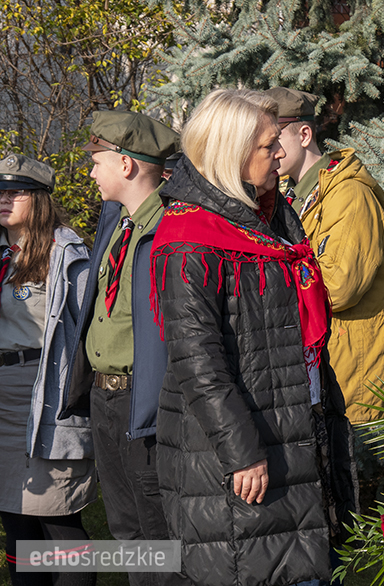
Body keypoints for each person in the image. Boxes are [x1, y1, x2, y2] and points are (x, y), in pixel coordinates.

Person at [148, 88, 353, 585]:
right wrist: (241, 451)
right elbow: (198, 361)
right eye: (268, 146)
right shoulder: (190, 238)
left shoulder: (269, 215)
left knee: (307, 562)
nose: (280, 154)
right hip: (241, 451)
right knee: (258, 568)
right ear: (232, 152)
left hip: (292, 424)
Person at [62, 111, 180, 586]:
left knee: (159, 533)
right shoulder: (119, 224)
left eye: (97, 160)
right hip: (106, 399)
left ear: (127, 166)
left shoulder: (167, 230)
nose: (90, 172)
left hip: (144, 401)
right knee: (126, 530)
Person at [263, 87, 384, 426]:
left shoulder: (349, 194)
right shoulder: (294, 196)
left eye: (275, 140)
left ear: (305, 134)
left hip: (351, 386)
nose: (268, 151)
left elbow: (339, 288)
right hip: (320, 374)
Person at [0, 154, 97, 586]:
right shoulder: (3, 251)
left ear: (38, 199)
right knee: (17, 525)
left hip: (45, 396)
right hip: (2, 396)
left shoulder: (66, 253)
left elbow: (85, 333)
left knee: (56, 522)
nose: (3, 199)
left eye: (14, 191)